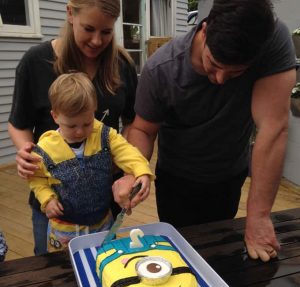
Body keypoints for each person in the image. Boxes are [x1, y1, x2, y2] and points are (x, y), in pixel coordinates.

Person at [113, 0, 297, 262]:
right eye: (214, 63)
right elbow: (142, 129)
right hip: (176, 181)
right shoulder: (161, 69)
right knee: (179, 255)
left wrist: (259, 216)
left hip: (229, 175)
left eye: (236, 72)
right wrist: (133, 172)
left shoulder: (271, 39)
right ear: (204, 29)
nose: (220, 79)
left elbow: (273, 129)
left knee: (220, 252)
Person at [8, 0, 137, 255]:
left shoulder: (122, 65)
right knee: (53, 273)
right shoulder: (35, 62)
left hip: (103, 202)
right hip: (52, 204)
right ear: (70, 13)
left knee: (103, 264)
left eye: (107, 32)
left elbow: (132, 122)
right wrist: (27, 152)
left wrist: (125, 163)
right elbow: (18, 124)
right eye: (88, 29)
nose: (98, 41)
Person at [28, 72, 153, 251]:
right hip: (64, 230)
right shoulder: (45, 148)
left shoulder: (105, 135)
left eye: (87, 123)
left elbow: (128, 152)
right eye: (71, 126)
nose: (80, 132)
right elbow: (37, 178)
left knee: (106, 261)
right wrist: (47, 199)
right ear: (55, 116)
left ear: (94, 110)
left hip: (103, 224)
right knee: (65, 270)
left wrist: (141, 170)